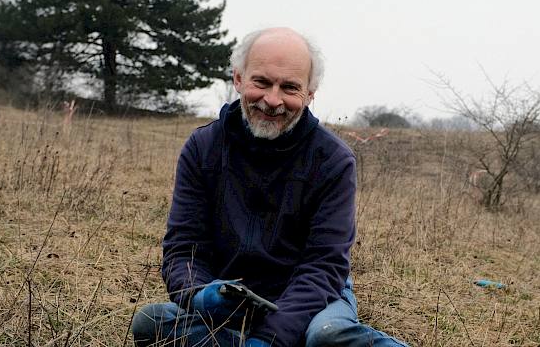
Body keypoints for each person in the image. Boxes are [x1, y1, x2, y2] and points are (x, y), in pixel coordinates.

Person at [131, 27, 408, 347]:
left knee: (326, 336)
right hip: (232, 302)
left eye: (289, 87)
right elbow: (184, 248)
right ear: (238, 79)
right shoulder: (202, 147)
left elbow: (324, 267)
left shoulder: (334, 160)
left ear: (310, 94)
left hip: (312, 301)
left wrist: (269, 338)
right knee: (152, 323)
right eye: (261, 82)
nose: (273, 100)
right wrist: (200, 295)